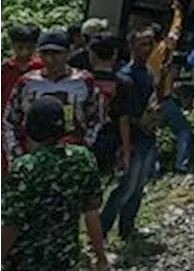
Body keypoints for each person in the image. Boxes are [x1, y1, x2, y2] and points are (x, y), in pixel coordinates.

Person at [0, 97, 112, 271]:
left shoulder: (26, 168)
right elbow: (91, 214)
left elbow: (11, 225)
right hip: (65, 261)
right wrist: (101, 258)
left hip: (25, 263)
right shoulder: (83, 158)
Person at [3, 29, 102, 167]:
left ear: (68, 53)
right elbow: (10, 121)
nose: (50, 59)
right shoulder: (27, 82)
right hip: (33, 157)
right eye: (45, 53)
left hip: (72, 157)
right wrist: (16, 156)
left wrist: (86, 148)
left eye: (56, 53)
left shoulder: (84, 81)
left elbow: (96, 118)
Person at [101, 27, 163, 241]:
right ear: (132, 46)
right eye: (142, 44)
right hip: (132, 139)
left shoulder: (147, 72)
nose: (147, 48)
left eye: (149, 43)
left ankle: (127, 229)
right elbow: (123, 117)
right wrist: (125, 150)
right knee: (126, 187)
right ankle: (101, 230)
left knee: (138, 187)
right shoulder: (125, 77)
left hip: (147, 136)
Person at [149, 13, 192, 173]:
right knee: (183, 130)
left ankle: (153, 169)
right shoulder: (163, 50)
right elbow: (175, 33)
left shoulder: (148, 56)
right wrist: (179, 12)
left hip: (152, 100)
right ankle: (182, 164)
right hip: (164, 99)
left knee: (151, 135)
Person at [0, 25, 43, 175]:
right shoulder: (5, 69)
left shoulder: (41, 68)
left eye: (29, 47)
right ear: (12, 46)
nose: (24, 52)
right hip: (7, 126)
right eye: (20, 47)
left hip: (34, 125)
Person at [86, 33, 130, 177]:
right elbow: (124, 120)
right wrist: (126, 150)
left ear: (91, 54)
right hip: (110, 138)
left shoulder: (83, 81)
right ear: (115, 54)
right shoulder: (123, 83)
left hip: (84, 138)